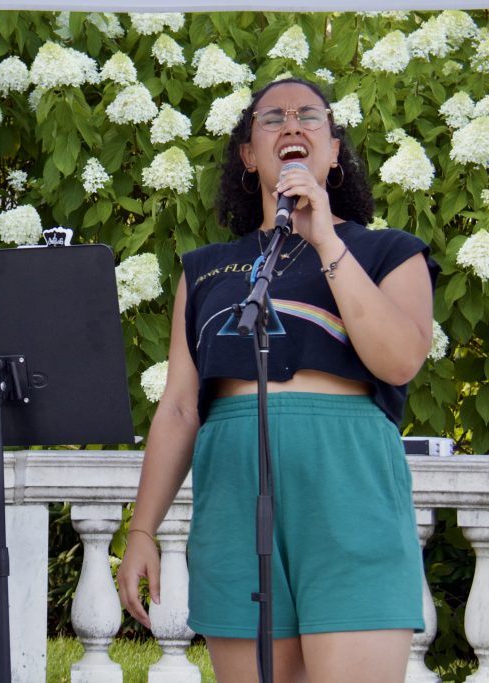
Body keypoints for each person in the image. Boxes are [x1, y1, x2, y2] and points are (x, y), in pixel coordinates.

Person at [116, 78, 438, 683]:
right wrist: (142, 530)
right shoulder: (207, 270)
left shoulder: (390, 252)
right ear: (247, 154)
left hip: (348, 485)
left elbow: (398, 361)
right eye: (271, 119)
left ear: (334, 150)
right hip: (234, 490)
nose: (292, 125)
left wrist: (325, 239)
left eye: (309, 116)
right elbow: (181, 408)